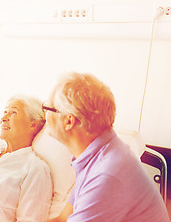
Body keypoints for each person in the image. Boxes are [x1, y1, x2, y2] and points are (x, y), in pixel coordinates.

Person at [44, 72, 169, 222]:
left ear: (69, 121)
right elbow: (63, 218)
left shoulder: (106, 175)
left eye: (47, 108)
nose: (44, 113)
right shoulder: (96, 154)